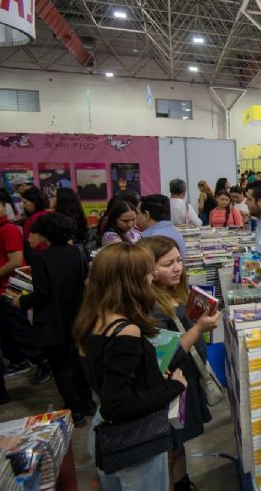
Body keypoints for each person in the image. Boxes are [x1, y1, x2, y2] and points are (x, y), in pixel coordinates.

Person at [74, 243, 187, 491]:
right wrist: (173, 387)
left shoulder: (92, 317)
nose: (152, 277)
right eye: (146, 272)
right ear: (130, 281)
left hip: (105, 434)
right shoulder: (126, 330)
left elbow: (112, 380)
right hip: (134, 444)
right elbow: (119, 405)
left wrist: (151, 375)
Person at [138, 236, 220, 491]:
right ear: (149, 269)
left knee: (179, 441)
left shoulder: (176, 292)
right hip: (170, 384)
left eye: (178, 261)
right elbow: (164, 357)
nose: (176, 268)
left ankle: (182, 481)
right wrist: (199, 329)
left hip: (186, 379)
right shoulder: (149, 305)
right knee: (169, 447)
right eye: (167, 263)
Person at [15, 213, 95, 424]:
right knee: (78, 363)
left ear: (44, 234)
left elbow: (42, 293)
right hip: (77, 315)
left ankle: (74, 411)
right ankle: (88, 403)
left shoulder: (41, 258)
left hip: (52, 320)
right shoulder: (79, 251)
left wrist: (21, 302)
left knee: (61, 368)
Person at [0, 189, 50, 384]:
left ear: (5, 207)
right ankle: (18, 361)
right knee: (6, 331)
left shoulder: (8, 229)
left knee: (20, 329)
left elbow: (16, 261)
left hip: (12, 287)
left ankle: (44, 362)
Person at [136, 194, 187, 259]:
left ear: (146, 215)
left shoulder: (149, 240)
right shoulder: (176, 232)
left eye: (137, 213)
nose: (136, 217)